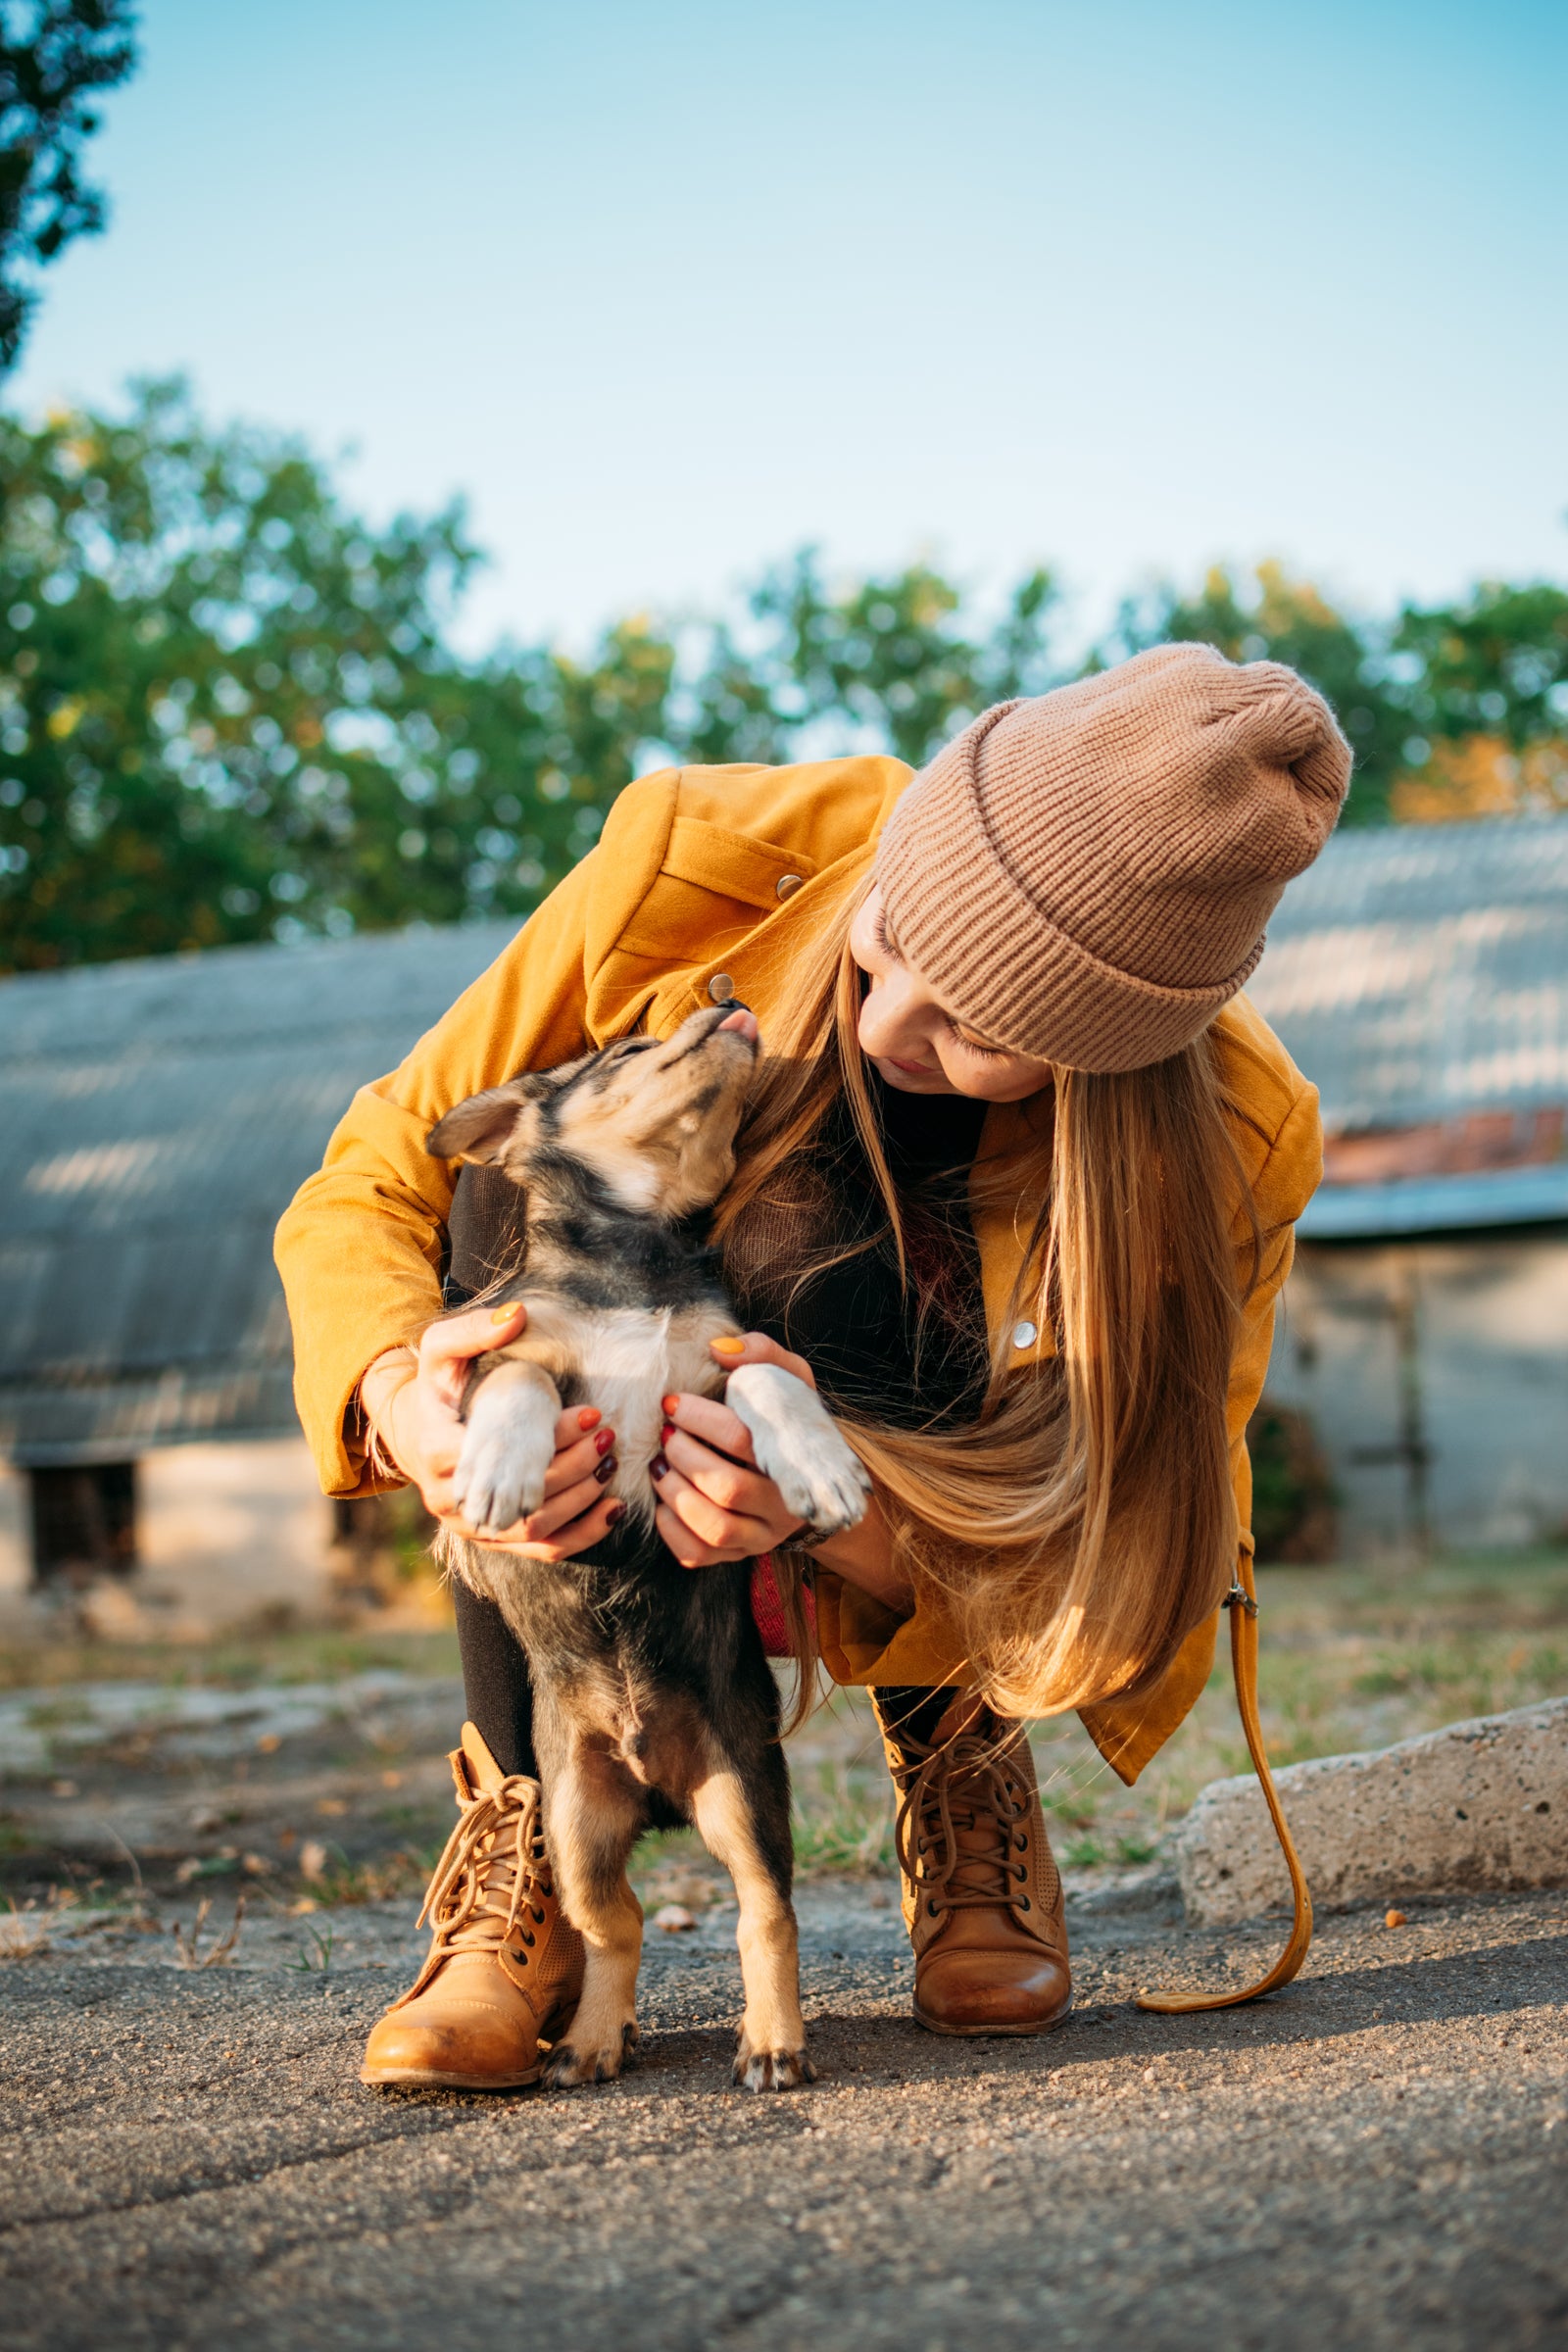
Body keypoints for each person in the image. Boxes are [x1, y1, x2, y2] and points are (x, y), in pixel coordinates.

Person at [275, 642, 1348, 2090]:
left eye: (984, 1031)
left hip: (899, 1451)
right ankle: (530, 1813)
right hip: (594, 1413)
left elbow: (1150, 1537)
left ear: (1109, 1054)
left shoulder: (1236, 1133)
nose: (891, 1018)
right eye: (894, 934)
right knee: (515, 1192)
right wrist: (413, 1401)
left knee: (851, 1264)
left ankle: (960, 1752)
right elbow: (375, 1178)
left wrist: (863, 1522)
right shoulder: (701, 858)